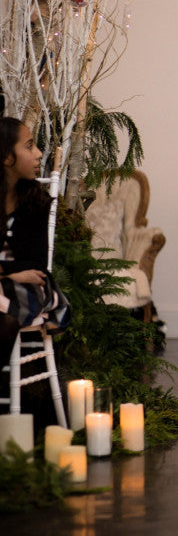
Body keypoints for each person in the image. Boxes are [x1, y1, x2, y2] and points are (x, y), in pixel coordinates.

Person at [0, 118, 70, 370]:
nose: (39, 153)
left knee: (7, 319)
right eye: (29, 146)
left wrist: (11, 274)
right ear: (7, 158)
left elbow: (36, 266)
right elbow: (20, 268)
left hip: (27, 288)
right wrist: (10, 272)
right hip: (11, 279)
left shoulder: (35, 203)